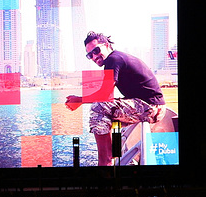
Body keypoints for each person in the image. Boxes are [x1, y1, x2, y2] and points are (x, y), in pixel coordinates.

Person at [65, 32, 166, 166]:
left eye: (96, 50)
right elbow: (106, 93)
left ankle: (105, 162)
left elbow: (104, 94)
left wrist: (79, 100)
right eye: (90, 55)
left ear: (106, 45)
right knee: (104, 108)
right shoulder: (116, 59)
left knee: (98, 107)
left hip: (152, 107)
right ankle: (111, 154)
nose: (94, 56)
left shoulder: (114, 59)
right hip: (150, 107)